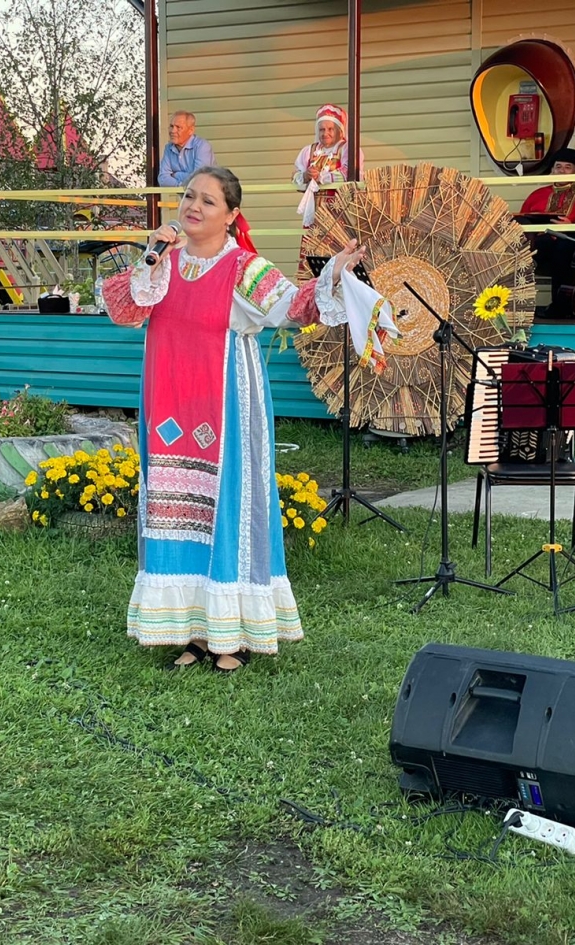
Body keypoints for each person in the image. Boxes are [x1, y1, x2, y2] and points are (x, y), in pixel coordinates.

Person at [102, 165, 363, 673]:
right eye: (188, 196)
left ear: (231, 216)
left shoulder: (245, 267)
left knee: (226, 509)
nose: (193, 207)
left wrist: (332, 273)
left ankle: (232, 635)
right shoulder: (163, 264)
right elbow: (126, 310)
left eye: (207, 201)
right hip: (169, 407)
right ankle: (195, 632)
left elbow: (294, 307)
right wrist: (150, 256)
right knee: (177, 514)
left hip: (225, 407)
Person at [517, 147, 575, 319]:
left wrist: (572, 224)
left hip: (569, 242)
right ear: (552, 170)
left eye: (567, 167)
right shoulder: (538, 194)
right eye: (558, 167)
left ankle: (559, 305)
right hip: (540, 242)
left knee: (562, 250)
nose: (562, 171)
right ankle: (518, 306)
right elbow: (522, 218)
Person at [292, 104, 364, 228]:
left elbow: (349, 174)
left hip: (340, 213)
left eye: (330, 129)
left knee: (338, 245)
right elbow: (295, 179)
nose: (326, 133)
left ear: (339, 130)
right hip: (315, 214)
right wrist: (305, 175)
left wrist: (320, 177)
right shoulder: (309, 151)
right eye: (322, 129)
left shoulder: (348, 149)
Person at [157, 111, 216, 188]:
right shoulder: (168, 148)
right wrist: (181, 186)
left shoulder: (202, 146)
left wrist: (176, 175)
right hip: (186, 197)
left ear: (190, 130)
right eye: (171, 126)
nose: (172, 131)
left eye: (178, 127)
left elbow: (199, 179)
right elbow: (162, 179)